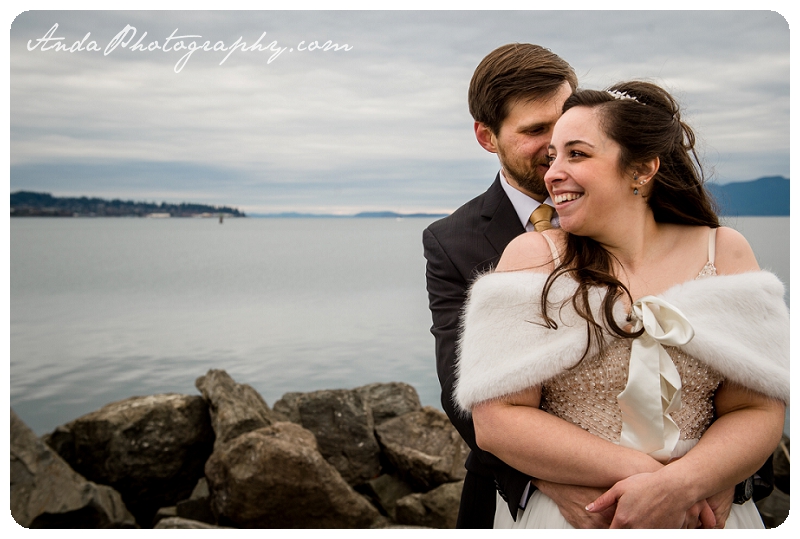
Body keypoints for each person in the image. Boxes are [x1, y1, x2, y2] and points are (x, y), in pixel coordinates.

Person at [454, 81, 789, 528]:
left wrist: (687, 483)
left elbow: (758, 410)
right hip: (579, 518)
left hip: (705, 514)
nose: (552, 172)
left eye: (576, 154)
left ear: (642, 168)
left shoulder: (724, 252)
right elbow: (498, 422)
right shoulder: (531, 258)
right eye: (552, 155)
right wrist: (657, 485)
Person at [423, 43, 578, 527]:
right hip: (518, 492)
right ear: (486, 137)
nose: (556, 147)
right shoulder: (451, 242)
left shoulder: (633, 211)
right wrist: (556, 482)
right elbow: (460, 391)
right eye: (535, 131)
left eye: (565, 120)